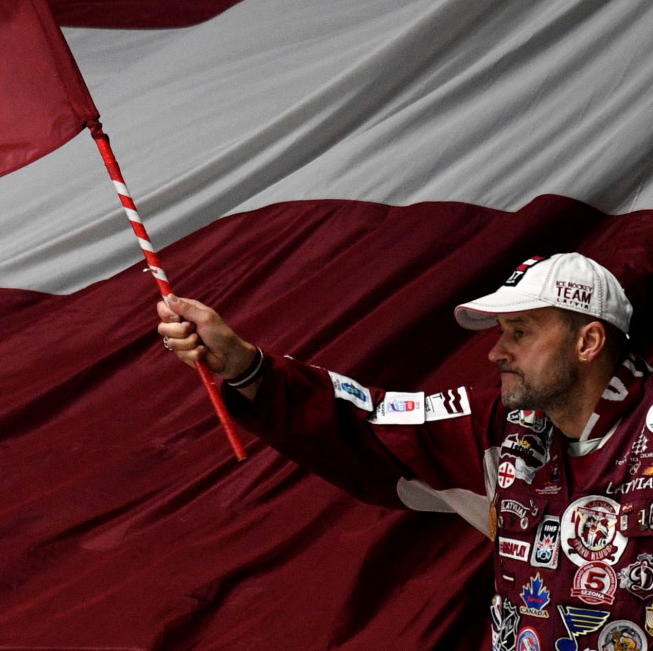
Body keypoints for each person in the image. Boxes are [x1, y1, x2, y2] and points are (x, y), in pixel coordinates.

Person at [157, 253, 650, 651]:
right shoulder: (504, 430)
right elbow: (370, 422)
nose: (496, 352)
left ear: (588, 342)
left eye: (519, 331)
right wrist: (246, 367)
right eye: (501, 332)